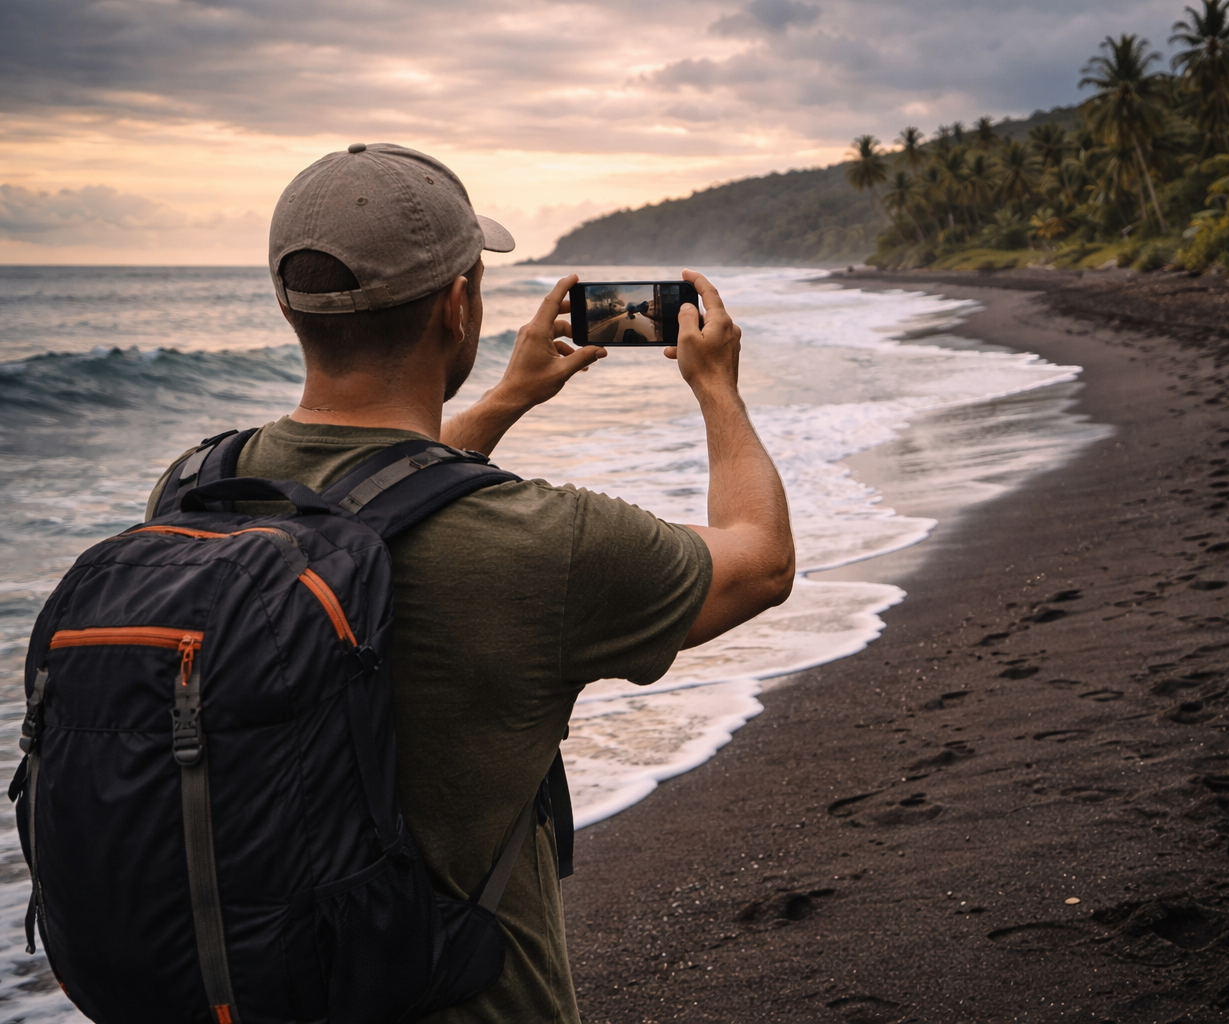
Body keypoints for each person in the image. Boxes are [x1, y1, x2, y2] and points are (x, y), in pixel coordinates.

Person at [146, 143, 795, 1022]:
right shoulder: (540, 543)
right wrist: (716, 388)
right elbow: (759, 561)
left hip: (251, 987)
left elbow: (358, 500)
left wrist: (505, 401)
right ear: (458, 306)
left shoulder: (196, 489)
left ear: (286, 302)